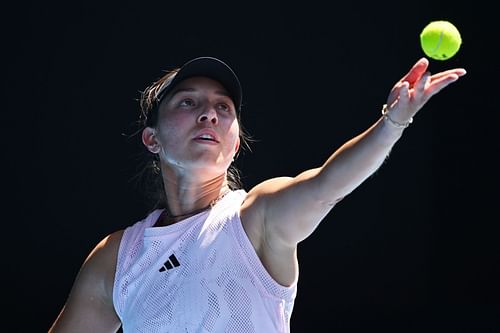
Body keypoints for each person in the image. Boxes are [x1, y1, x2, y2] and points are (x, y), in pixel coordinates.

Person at [48, 56, 466, 333]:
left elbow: (328, 184)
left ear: (233, 145)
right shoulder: (117, 256)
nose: (209, 112)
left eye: (223, 108)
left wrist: (391, 124)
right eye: (187, 102)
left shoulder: (256, 218)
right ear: (152, 139)